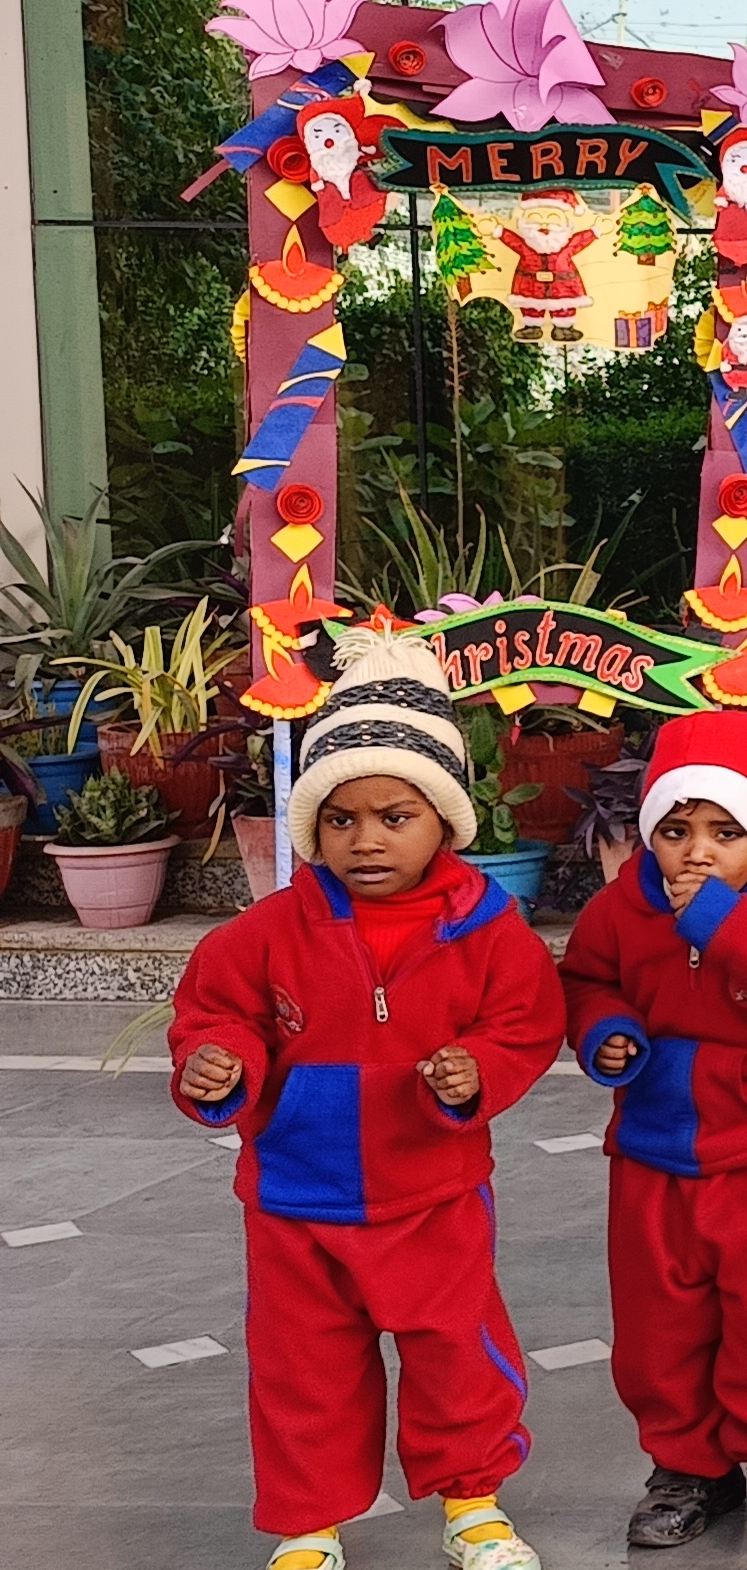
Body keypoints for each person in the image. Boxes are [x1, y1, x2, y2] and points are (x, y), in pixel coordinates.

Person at [170, 628, 564, 1570]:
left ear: (446, 820)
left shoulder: (488, 929)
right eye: (340, 819)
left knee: (457, 1354)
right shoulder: (265, 933)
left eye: (395, 815)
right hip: (295, 1203)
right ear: (312, 828)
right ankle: (310, 1525)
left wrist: (477, 1071)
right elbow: (216, 1014)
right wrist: (219, 1063)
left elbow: (525, 1022)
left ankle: (472, 1502)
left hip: (433, 1194)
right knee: (305, 1373)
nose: (366, 838)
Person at [562, 711, 747, 1551]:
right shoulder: (627, 905)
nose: (698, 851)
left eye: (726, 831)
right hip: (654, 1147)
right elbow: (585, 978)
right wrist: (605, 1029)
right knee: (660, 1324)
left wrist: (728, 923)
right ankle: (688, 1465)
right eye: (677, 829)